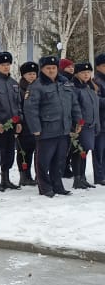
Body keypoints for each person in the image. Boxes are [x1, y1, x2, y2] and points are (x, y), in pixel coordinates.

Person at [22, 55, 81, 197]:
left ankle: (57, 185)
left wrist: (78, 120)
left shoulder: (65, 83)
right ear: (42, 69)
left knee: (59, 160)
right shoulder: (36, 86)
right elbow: (30, 109)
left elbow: (73, 103)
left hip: (63, 129)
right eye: (48, 68)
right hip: (46, 130)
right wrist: (35, 129)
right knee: (43, 161)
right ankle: (44, 187)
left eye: (54, 68)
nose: (51, 70)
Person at [0, 51, 23, 190]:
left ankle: (6, 178)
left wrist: (19, 122)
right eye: (2, 65)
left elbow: (19, 105)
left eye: (7, 64)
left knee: (10, 153)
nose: (6, 67)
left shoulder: (14, 84)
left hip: (12, 124)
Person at [72, 61, 100, 190]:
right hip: (81, 126)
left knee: (85, 152)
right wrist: (78, 122)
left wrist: (96, 124)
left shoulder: (89, 87)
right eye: (83, 72)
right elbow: (75, 107)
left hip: (90, 125)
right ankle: (77, 178)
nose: (86, 75)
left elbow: (95, 108)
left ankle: (82, 177)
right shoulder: (75, 88)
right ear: (77, 74)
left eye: (88, 72)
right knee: (78, 152)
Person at [16, 62, 38, 185]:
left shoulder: (38, 87)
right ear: (24, 75)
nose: (32, 76)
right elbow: (18, 105)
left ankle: (34, 175)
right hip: (24, 125)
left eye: (34, 74)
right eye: (29, 74)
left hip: (37, 124)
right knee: (24, 151)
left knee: (36, 150)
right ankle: (24, 175)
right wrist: (20, 120)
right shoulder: (20, 89)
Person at [93, 53, 105, 185]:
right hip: (100, 120)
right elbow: (96, 101)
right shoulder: (96, 81)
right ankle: (99, 176)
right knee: (99, 151)